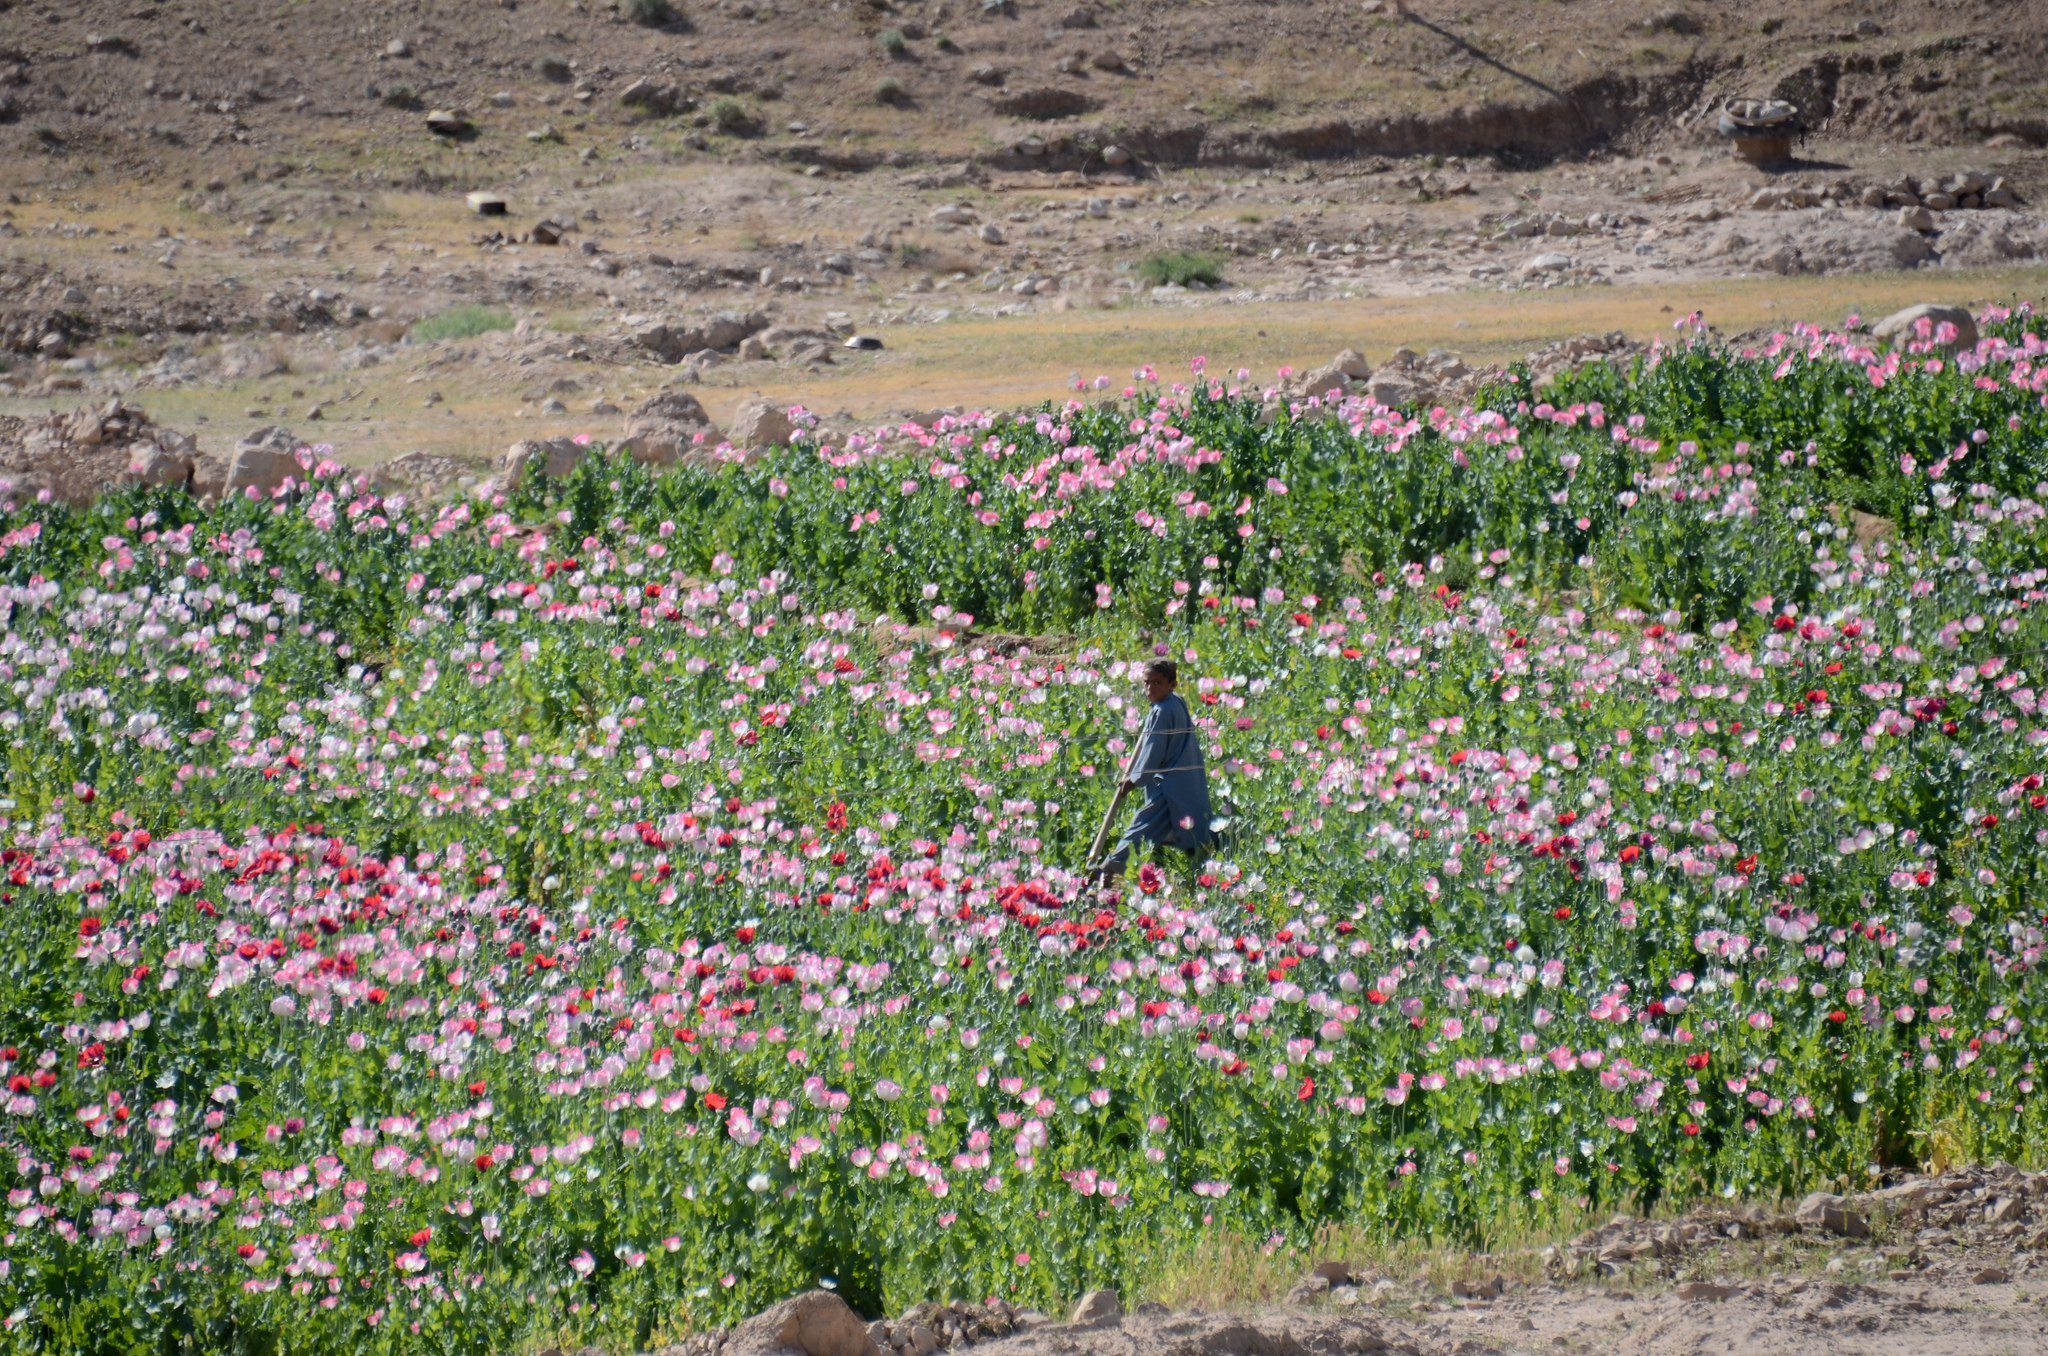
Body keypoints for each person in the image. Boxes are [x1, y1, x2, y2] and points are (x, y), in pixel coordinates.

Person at [1093, 659, 1214, 882]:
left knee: (1142, 827)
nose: (1150, 689)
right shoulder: (1174, 702)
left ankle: (1108, 870)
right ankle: (1198, 868)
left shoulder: (1162, 711)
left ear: (1172, 684)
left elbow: (1153, 751)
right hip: (1184, 780)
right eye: (1147, 683)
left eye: (1157, 683)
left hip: (1169, 785)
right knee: (1186, 828)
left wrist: (1133, 780)